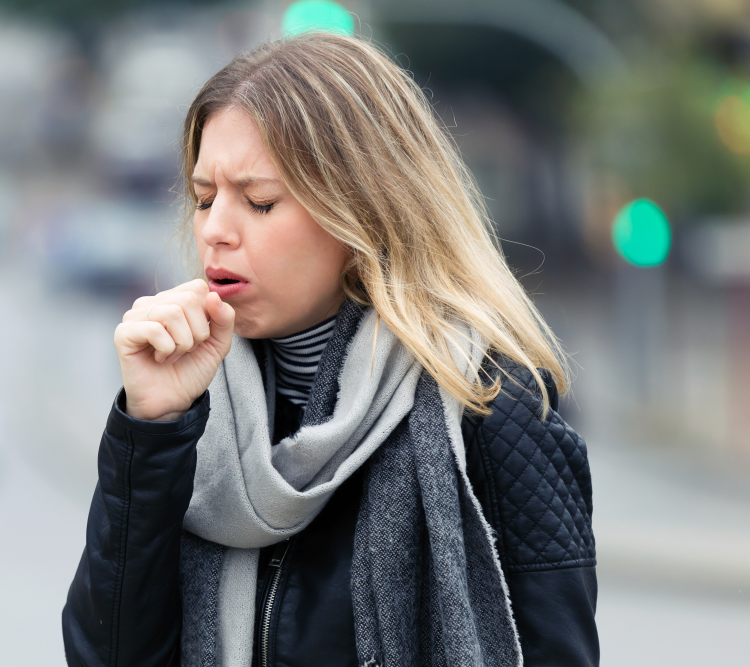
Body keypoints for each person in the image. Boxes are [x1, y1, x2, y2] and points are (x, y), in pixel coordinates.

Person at [63, 32, 597, 667]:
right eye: (204, 199)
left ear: (363, 210)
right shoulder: (189, 408)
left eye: (260, 202)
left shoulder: (492, 409)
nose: (216, 231)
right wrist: (151, 429)